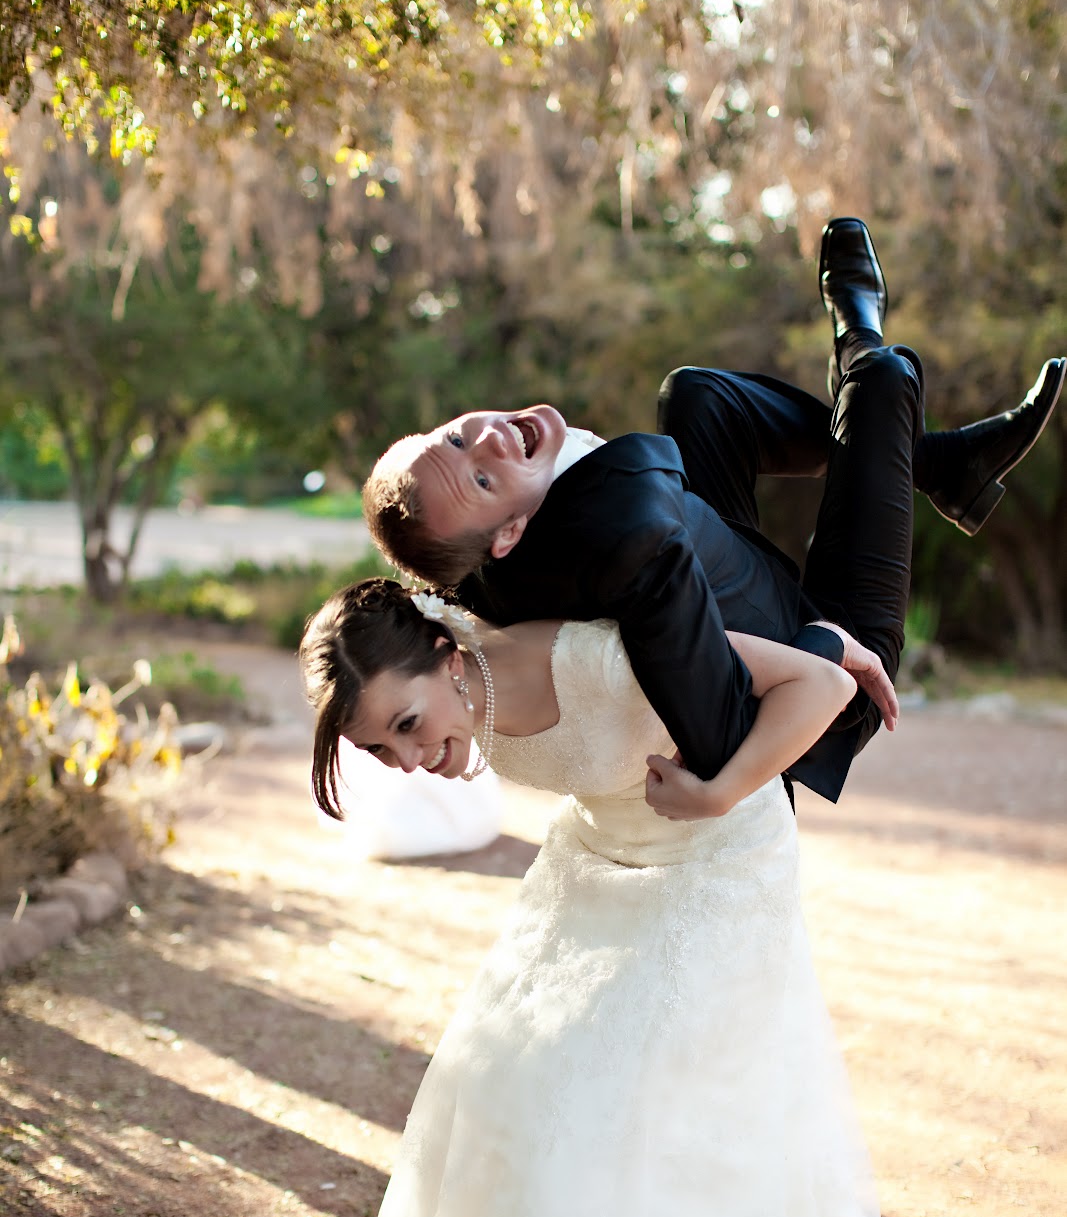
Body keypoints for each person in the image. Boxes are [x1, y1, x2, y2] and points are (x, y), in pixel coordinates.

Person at [168, 579, 987, 1217]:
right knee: (502, 1092)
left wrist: (722, 786)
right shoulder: (464, 680)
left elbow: (819, 690)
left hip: (714, 856)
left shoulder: (596, 658)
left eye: (405, 724)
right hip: (593, 862)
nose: (405, 759)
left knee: (633, 1109)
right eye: (379, 748)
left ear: (447, 656)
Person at [362, 219, 1064, 804]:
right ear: (510, 534)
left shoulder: (489, 546)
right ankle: (865, 345)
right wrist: (826, 650)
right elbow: (721, 715)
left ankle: (941, 465)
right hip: (825, 664)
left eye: (452, 437)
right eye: (483, 481)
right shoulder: (624, 543)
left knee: (698, 395)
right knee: (882, 378)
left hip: (727, 558)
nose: (484, 438)